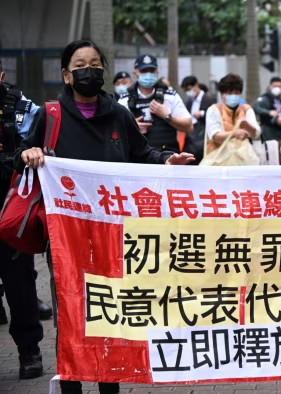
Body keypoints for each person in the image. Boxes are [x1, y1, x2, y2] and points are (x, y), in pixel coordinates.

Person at [16, 40, 194, 394]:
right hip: (66, 235)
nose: (89, 69)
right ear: (67, 75)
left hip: (113, 233)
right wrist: (30, 151)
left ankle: (109, 382)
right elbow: (21, 152)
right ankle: (71, 383)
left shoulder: (118, 114)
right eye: (80, 64)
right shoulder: (49, 115)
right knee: (71, 311)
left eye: (95, 63)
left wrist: (166, 159)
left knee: (109, 311)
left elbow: (142, 153)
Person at [0, 58, 45, 380]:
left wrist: (33, 152)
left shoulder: (21, 105)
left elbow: (38, 141)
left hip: (10, 205)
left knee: (19, 281)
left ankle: (29, 349)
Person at [118, 54, 193, 152]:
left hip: (167, 158)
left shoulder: (170, 96)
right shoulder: (124, 100)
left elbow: (189, 127)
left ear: (157, 72)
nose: (148, 74)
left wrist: (167, 117)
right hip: (138, 161)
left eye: (152, 71)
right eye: (144, 71)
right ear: (135, 74)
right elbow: (113, 132)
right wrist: (132, 129)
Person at [203, 73, 260, 160]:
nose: (233, 96)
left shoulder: (246, 109)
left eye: (236, 93)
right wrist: (234, 134)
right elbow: (214, 135)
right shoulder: (214, 110)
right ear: (222, 94)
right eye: (229, 93)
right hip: (217, 159)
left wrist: (247, 125)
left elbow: (256, 133)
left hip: (243, 159)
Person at [252, 76, 281, 155]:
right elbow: (255, 108)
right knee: (272, 157)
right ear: (270, 86)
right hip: (268, 133)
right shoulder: (264, 98)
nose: (277, 88)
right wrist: (268, 112)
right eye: (275, 86)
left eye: (279, 86)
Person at [181, 75, 216, 163]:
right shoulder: (189, 101)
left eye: (189, 89)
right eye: (186, 90)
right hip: (191, 137)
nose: (189, 92)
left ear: (196, 85)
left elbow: (215, 114)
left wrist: (202, 113)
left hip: (204, 136)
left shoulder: (208, 99)